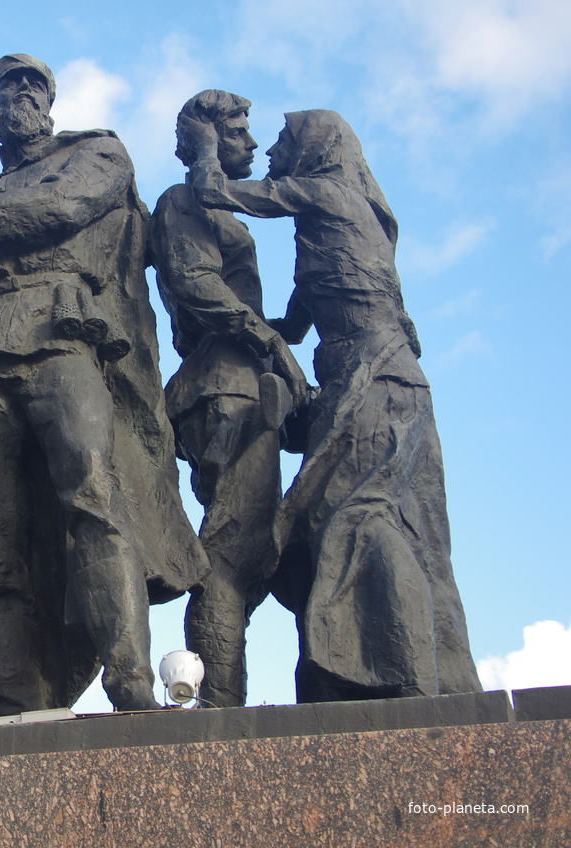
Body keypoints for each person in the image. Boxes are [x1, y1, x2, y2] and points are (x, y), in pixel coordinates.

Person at [0, 55, 206, 722]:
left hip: (60, 334)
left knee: (93, 493)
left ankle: (131, 684)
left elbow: (59, 208)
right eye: (5, 88)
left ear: (50, 102)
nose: (20, 96)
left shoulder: (95, 152)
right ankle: (13, 705)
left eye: (33, 86)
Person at [187, 109, 482, 701]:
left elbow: (216, 191)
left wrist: (203, 144)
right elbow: (292, 328)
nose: (270, 151)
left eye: (282, 141)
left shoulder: (326, 194)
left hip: (378, 380)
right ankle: (357, 677)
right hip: (370, 380)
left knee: (360, 518)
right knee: (350, 528)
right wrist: (231, 340)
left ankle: (406, 677)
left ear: (314, 149)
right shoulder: (325, 230)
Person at [151, 90, 308, 707]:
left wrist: (287, 324)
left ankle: (220, 696)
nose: (252, 143)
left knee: (249, 541)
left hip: (237, 381)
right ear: (208, 139)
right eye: (237, 132)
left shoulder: (221, 212)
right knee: (233, 547)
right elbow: (196, 285)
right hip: (223, 388)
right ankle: (216, 707)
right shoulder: (184, 199)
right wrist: (271, 341)